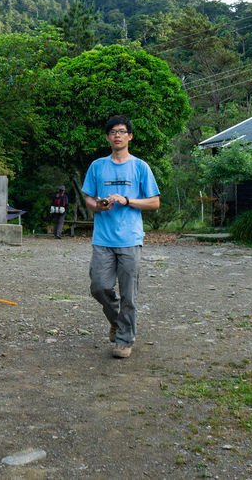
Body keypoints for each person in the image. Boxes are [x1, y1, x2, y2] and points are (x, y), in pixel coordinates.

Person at [81, 115, 160, 359]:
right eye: (113, 131)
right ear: (107, 137)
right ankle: (117, 321)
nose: (117, 135)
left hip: (130, 239)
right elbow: (88, 198)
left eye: (122, 131)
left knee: (129, 294)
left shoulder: (140, 167)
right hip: (103, 239)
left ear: (130, 136)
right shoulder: (97, 166)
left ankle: (125, 340)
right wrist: (98, 205)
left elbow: (155, 202)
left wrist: (127, 200)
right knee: (99, 287)